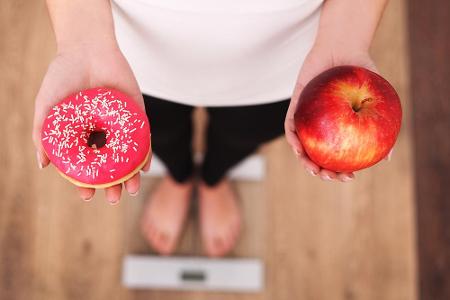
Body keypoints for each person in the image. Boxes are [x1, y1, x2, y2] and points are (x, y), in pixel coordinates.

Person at [33, 0, 390, 257]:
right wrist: (80, 37)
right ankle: (179, 175)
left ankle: (214, 178)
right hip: (123, 55)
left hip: (288, 61)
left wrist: (346, 38)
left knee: (242, 135)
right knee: (161, 133)